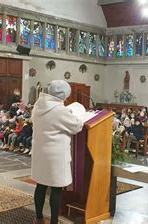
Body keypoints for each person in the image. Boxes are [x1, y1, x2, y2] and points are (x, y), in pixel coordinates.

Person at [31, 80, 84, 224]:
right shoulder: (60, 110)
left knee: (40, 185)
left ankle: (39, 218)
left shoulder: (38, 104)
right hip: (55, 155)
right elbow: (77, 126)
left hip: (40, 152)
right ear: (64, 95)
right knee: (56, 189)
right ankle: (54, 221)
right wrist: (78, 111)